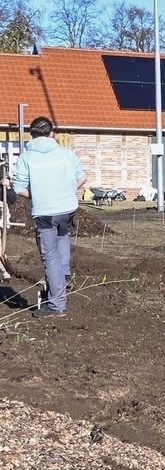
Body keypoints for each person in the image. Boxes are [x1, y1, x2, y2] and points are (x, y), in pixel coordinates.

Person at [6, 116, 86, 319]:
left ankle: (56, 305)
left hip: (45, 212)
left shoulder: (27, 157)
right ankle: (64, 273)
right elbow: (82, 178)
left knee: (49, 256)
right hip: (67, 209)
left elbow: (19, 188)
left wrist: (39, 194)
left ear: (31, 135)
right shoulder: (67, 154)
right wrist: (68, 191)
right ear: (52, 133)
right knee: (63, 237)